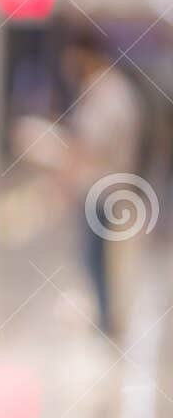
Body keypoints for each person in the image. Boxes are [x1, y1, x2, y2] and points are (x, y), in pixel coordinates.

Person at [59, 23, 147, 340]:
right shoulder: (118, 89)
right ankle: (107, 318)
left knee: (95, 258)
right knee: (99, 257)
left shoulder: (104, 92)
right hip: (111, 185)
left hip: (101, 188)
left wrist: (65, 172)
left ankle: (107, 322)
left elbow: (90, 142)